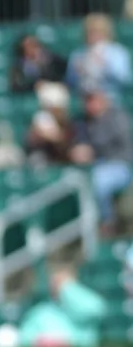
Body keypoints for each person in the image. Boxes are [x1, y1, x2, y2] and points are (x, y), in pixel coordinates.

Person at [69, 88, 133, 233]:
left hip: (120, 165)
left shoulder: (117, 117)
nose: (90, 104)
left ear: (102, 100)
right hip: (94, 166)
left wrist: (93, 153)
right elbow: (78, 144)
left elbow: (121, 147)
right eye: (87, 100)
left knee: (98, 181)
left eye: (93, 100)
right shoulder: (83, 121)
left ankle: (106, 221)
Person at [17, 265, 107, 347]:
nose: (56, 284)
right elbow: (25, 341)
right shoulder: (40, 312)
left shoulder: (89, 305)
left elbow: (96, 310)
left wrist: (68, 289)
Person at [66, 13, 132, 103]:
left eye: (97, 32)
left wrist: (105, 65)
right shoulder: (78, 53)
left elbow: (124, 78)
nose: (93, 36)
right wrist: (77, 72)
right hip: (83, 97)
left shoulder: (117, 52)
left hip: (110, 97)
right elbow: (70, 81)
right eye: (90, 32)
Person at [24, 82, 73, 167]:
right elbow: (36, 136)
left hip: (61, 157)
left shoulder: (66, 120)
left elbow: (63, 140)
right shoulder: (41, 116)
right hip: (42, 156)